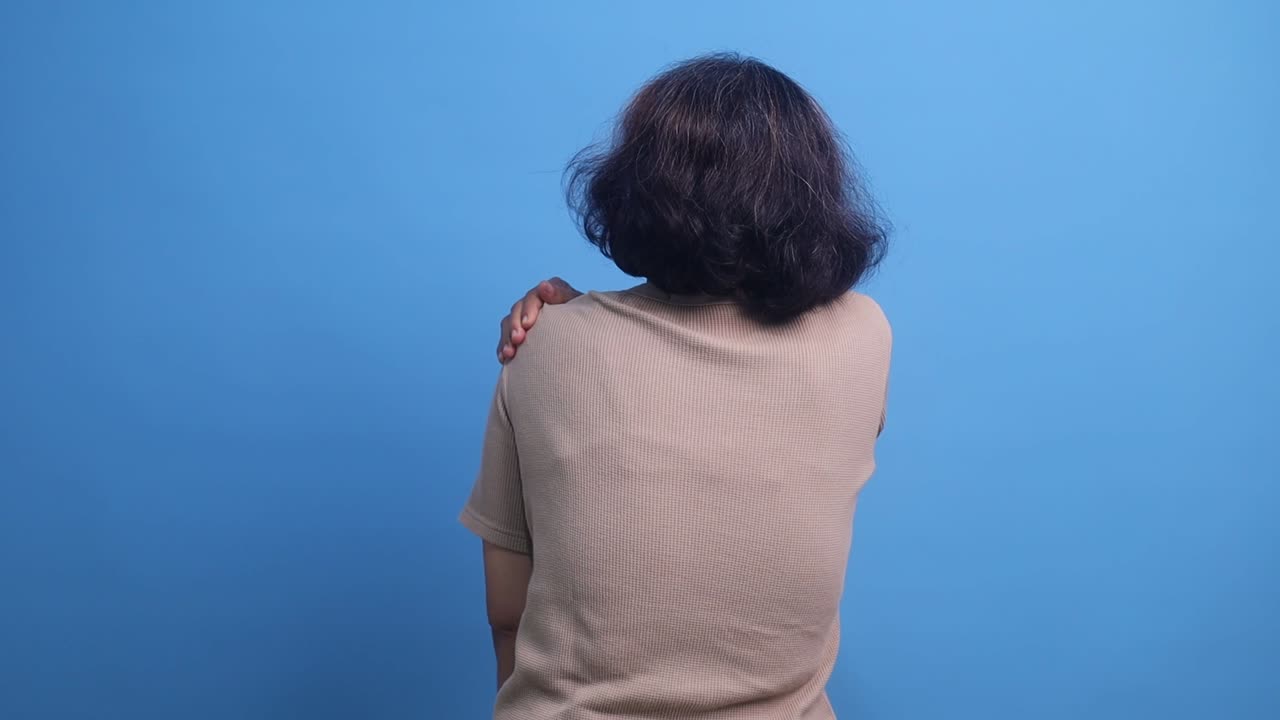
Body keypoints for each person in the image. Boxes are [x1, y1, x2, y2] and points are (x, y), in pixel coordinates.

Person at [461, 53, 891, 719]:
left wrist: (574, 326)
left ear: (635, 191)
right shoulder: (865, 337)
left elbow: (507, 616)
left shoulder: (545, 343)